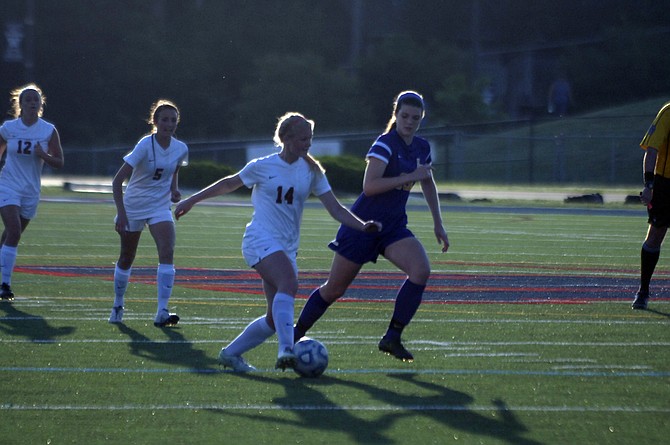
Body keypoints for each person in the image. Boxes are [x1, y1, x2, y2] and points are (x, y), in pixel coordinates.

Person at [174, 112, 380, 372]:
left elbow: (335, 209)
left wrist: (363, 226)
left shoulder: (312, 171)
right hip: (259, 238)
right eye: (304, 138)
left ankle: (230, 354)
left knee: (273, 319)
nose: (308, 144)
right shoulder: (263, 165)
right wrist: (191, 200)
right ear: (286, 138)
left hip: (286, 247)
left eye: (310, 139)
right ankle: (287, 349)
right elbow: (229, 184)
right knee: (289, 283)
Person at [293, 90, 449, 362]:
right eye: (404, 116)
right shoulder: (385, 144)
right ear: (395, 115)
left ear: (421, 118)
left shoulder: (422, 147)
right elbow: (370, 186)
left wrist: (438, 223)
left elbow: (427, 181)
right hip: (363, 226)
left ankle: (392, 337)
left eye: (415, 117)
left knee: (420, 270)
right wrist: (410, 175)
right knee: (334, 289)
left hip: (393, 228)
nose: (409, 122)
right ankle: (294, 336)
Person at [108, 99, 188, 326]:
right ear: (155, 121)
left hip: (160, 206)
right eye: (164, 119)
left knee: (167, 250)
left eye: (173, 120)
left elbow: (173, 171)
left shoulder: (181, 148)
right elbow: (117, 182)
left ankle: (162, 311)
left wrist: (174, 190)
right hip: (133, 205)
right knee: (127, 256)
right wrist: (121, 213)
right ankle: (118, 303)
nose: (169, 124)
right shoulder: (145, 144)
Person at [0, 83, 64, 300]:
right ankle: (5, 284)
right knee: (14, 231)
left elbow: (59, 161)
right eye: (27, 100)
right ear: (20, 104)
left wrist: (43, 155)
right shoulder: (9, 128)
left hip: (31, 190)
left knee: (10, 235)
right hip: (8, 185)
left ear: (40, 104)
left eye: (35, 100)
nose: (31, 103)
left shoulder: (47, 130)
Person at [633, 101, 670, 310]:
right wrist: (649, 184)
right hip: (666, 184)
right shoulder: (668, 112)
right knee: (655, 235)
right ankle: (643, 291)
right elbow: (652, 149)